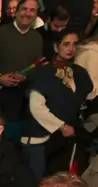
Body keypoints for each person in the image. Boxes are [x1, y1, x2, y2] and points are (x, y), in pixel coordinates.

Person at [22, 31, 93, 177]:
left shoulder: (79, 73)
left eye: (74, 44)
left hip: (64, 140)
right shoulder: (43, 73)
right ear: (56, 47)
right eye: (66, 44)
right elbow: (37, 108)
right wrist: (61, 126)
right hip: (39, 138)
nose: (71, 48)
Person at [0, 0, 42, 121]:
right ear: (17, 12)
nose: (27, 13)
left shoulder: (37, 38)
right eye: (24, 9)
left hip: (20, 100)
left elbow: (37, 66)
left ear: (36, 15)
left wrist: (25, 77)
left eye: (32, 10)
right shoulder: (0, 33)